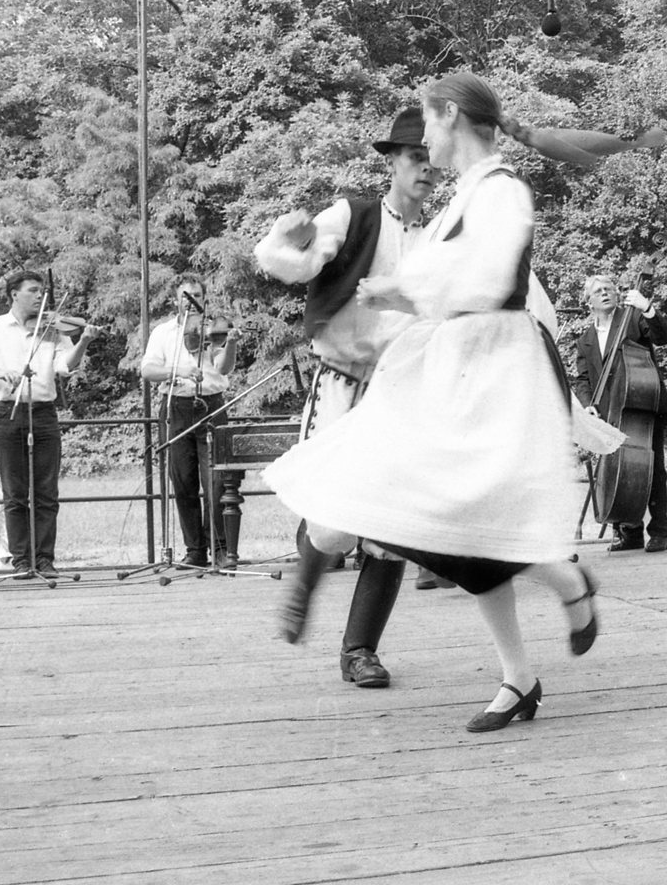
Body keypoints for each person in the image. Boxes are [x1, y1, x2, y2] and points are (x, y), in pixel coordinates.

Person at [265, 72, 611, 732]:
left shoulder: (500, 190)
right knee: (446, 519)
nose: (425, 141)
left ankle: (562, 587)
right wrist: (395, 290)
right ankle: (523, 671)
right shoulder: (464, 198)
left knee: (460, 517)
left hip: (488, 369)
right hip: (450, 362)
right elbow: (443, 278)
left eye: (427, 122)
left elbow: (487, 279)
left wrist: (405, 291)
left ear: (450, 116)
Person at [254, 106, 440, 687]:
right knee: (334, 522)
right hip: (340, 380)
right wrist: (293, 238)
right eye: (415, 157)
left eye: (433, 160)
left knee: (391, 530)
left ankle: (359, 650)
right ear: (392, 162)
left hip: (401, 392)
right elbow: (289, 262)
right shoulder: (353, 215)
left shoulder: (441, 235)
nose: (426, 169)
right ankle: (304, 587)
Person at [0, 270, 97, 578]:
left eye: (41, 291)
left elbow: (65, 365)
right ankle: (21, 560)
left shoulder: (51, 329)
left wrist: (83, 341)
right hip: (7, 411)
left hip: (44, 413)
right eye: (33, 290)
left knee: (46, 491)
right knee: (14, 491)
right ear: (14, 294)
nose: (39, 296)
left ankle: (44, 559)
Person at [139, 273, 241, 569]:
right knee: (182, 481)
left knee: (217, 483)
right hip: (176, 407)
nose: (191, 302)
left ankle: (220, 548)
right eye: (186, 296)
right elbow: (147, 370)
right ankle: (195, 550)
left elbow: (223, 368)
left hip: (212, 406)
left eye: (196, 295)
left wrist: (231, 344)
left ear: (204, 298)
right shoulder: (163, 332)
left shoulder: (214, 328)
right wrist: (179, 371)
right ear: (176, 300)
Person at [571, 273, 667, 552]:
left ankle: (659, 531)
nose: (605, 293)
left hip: (642, 407)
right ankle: (629, 531)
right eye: (598, 291)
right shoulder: (585, 339)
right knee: (617, 472)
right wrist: (588, 405)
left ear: (617, 295)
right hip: (609, 414)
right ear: (588, 302)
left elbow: (663, 337)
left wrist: (647, 307)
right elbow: (583, 379)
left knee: (653, 470)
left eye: (609, 289)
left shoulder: (633, 318)